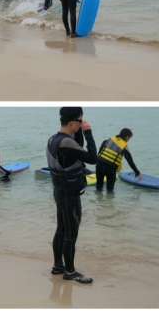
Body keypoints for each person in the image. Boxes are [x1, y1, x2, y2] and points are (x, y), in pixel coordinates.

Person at [46, 107, 97, 284]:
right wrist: (89, 133)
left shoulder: (54, 139)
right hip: (69, 194)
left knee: (61, 228)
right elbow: (92, 158)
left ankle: (58, 266)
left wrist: (80, 131)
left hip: (60, 191)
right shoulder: (66, 143)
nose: (82, 124)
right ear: (72, 123)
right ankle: (70, 271)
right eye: (80, 121)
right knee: (71, 232)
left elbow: (77, 149)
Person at [96, 128, 141, 193]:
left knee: (98, 187)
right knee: (110, 190)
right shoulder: (124, 146)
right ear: (127, 137)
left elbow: (99, 153)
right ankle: (109, 199)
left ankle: (98, 198)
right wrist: (137, 172)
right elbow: (130, 161)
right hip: (110, 168)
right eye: (129, 138)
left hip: (99, 165)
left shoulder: (108, 140)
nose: (128, 140)